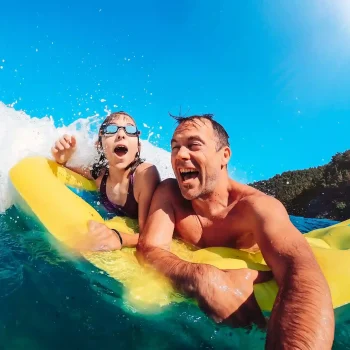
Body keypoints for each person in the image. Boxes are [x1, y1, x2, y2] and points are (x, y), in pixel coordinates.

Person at [136, 114, 334, 348]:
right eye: (175, 147)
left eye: (193, 145)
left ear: (224, 156)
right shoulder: (169, 193)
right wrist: (201, 277)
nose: (180, 155)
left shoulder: (256, 208)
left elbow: (299, 272)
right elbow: (148, 249)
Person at [51, 111, 160, 251]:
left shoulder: (144, 175)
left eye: (130, 130)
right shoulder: (100, 176)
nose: (121, 134)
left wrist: (119, 237)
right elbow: (66, 165)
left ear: (138, 147)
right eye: (111, 129)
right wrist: (62, 157)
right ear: (99, 146)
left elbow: (150, 235)